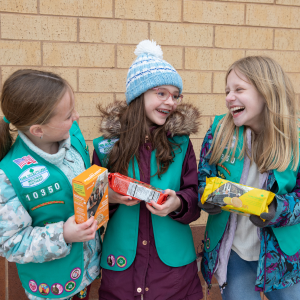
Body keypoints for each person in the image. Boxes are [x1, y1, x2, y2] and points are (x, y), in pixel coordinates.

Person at [93, 40, 203, 300]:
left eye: (176, 95)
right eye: (161, 93)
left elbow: (194, 195)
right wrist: (109, 197)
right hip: (121, 268)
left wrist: (177, 202)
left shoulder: (182, 145)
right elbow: (89, 207)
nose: (171, 101)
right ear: (138, 95)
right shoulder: (105, 148)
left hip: (173, 273)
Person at [198, 56, 300, 300]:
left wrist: (277, 208)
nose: (228, 97)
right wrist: (207, 197)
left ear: (266, 92)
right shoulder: (219, 131)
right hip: (235, 253)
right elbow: (203, 177)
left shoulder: (295, 138)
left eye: (239, 89)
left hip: (283, 255)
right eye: (227, 91)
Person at [0, 70, 101, 300]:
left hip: (88, 271)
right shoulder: (8, 175)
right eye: (67, 116)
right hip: (52, 285)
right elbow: (10, 243)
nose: (76, 117)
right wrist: (62, 234)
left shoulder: (73, 139)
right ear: (38, 130)